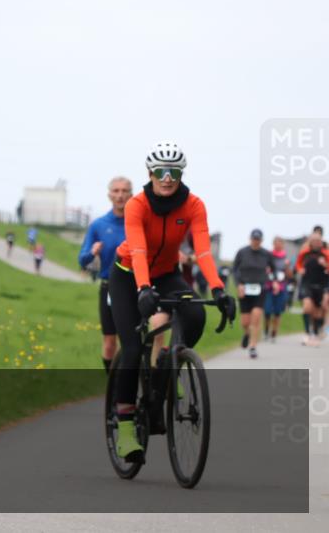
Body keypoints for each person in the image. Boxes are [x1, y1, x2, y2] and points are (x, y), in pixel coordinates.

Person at [108, 142, 235, 463]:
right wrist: (143, 288)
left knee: (195, 315)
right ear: (150, 173)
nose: (167, 178)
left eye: (174, 172)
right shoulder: (137, 205)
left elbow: (203, 250)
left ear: (181, 174)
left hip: (166, 273)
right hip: (128, 275)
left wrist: (219, 289)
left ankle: (167, 367)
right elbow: (138, 250)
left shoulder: (194, 205)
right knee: (132, 349)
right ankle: (125, 429)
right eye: (161, 172)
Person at [78, 176, 132, 372]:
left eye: (124, 191)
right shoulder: (99, 225)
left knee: (133, 341)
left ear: (131, 194)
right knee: (109, 343)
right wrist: (92, 253)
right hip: (109, 287)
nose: (120, 195)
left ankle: (136, 381)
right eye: (116, 191)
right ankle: (112, 382)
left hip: (135, 286)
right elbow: (82, 259)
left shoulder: (137, 222)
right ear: (109, 195)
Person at [232, 229, 277, 359]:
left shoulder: (266, 254)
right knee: (245, 322)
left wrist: (274, 281)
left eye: (258, 239)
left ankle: (252, 346)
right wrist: (238, 285)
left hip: (260, 289)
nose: (256, 241)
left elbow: (274, 270)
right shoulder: (242, 252)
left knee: (256, 318)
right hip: (244, 289)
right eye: (254, 239)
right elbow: (234, 269)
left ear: (261, 240)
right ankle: (246, 333)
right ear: (250, 239)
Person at [296, 230, 329, 347]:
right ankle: (306, 333)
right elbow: (298, 264)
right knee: (307, 307)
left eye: (318, 241)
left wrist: (325, 265)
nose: (316, 243)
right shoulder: (304, 253)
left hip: (321, 285)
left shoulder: (326, 253)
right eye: (314, 241)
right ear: (310, 242)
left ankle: (315, 333)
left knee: (317, 313)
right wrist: (300, 270)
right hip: (307, 284)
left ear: (321, 242)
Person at [264, 236, 293, 342]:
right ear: (273, 244)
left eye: (280, 243)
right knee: (267, 311)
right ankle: (266, 331)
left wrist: (287, 266)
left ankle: (274, 333)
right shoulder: (268, 256)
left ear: (283, 245)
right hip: (269, 287)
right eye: (276, 243)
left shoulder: (286, 258)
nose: (278, 245)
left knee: (277, 312)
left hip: (281, 288)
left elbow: (290, 275)